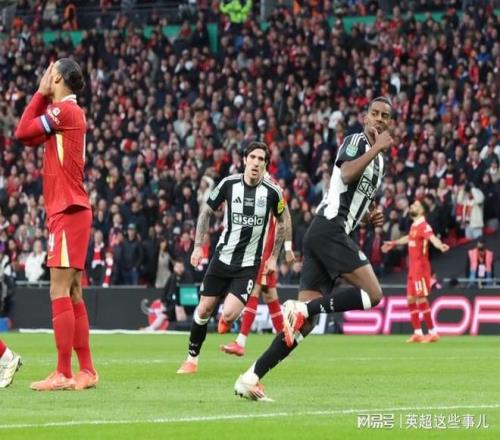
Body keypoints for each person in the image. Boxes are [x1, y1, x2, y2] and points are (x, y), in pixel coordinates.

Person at [234, 97, 393, 400]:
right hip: (328, 229)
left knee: (303, 326)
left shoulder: (380, 162)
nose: (379, 119)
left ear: (390, 122)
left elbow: (349, 195)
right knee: (373, 294)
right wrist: (377, 148)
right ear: (365, 117)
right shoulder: (357, 142)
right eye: (374, 114)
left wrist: (368, 216)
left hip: (328, 233)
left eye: (385, 116)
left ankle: (251, 376)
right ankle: (303, 307)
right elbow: (346, 174)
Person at [15, 60, 98, 391]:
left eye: (49, 73)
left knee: (58, 290)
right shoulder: (68, 113)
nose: (46, 77)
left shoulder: (64, 111)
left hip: (68, 208)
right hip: (71, 208)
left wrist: (39, 92)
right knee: (73, 289)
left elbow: (22, 131)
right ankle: (87, 370)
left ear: (58, 77)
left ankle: (63, 372)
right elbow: (29, 139)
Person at [177, 141, 291, 374]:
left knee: (228, 315)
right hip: (222, 259)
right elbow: (206, 212)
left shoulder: (272, 192)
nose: (256, 163)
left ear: (265, 164)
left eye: (261, 159)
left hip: (248, 265)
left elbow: (283, 222)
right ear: (245, 160)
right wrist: (198, 247)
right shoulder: (228, 184)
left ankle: (227, 320)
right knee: (203, 310)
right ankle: (191, 359)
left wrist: (274, 257)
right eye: (253, 158)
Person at [221, 174, 295, 357]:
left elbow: (285, 220)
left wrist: (286, 249)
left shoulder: (270, 189)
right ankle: (285, 339)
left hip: (263, 251)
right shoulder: (263, 186)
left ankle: (241, 342)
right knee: (270, 295)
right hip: (261, 250)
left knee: (253, 290)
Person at [381, 200, 449, 343]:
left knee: (421, 299)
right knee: (410, 299)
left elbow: (432, 238)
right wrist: (393, 243)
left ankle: (433, 332)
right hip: (412, 269)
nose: (412, 206)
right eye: (412, 205)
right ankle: (418, 332)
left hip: (421, 268)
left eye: (416, 206)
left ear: (422, 211)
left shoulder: (424, 226)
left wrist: (440, 245)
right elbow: (409, 237)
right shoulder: (414, 225)